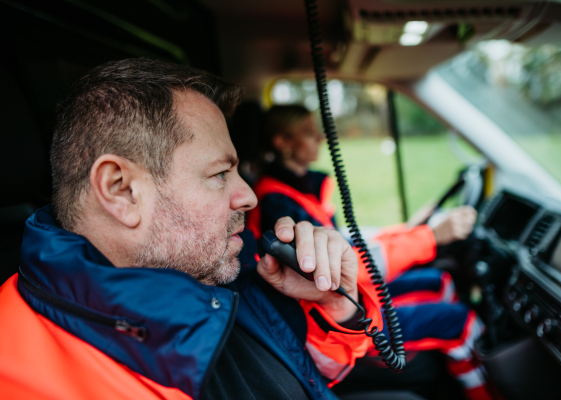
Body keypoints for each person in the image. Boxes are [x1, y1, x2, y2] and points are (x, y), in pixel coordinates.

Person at [0, 59, 392, 400]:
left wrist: (334, 310)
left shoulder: (216, 277)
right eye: (220, 174)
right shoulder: (23, 375)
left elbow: (305, 378)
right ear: (121, 190)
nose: (249, 197)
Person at [247, 104, 497, 400]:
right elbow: (345, 269)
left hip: (355, 296)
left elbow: (348, 244)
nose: (320, 137)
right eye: (307, 132)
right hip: (332, 323)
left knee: (441, 282)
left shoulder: (303, 189)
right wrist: (429, 237)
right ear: (282, 142)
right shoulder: (279, 204)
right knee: (462, 322)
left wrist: (409, 228)